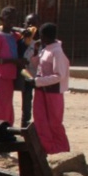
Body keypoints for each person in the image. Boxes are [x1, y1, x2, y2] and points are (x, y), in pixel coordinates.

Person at [30, 22, 70, 155]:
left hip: (53, 92)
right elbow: (36, 65)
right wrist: (35, 51)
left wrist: (38, 81)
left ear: (47, 36)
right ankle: (46, 147)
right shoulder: (45, 48)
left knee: (54, 123)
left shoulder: (57, 52)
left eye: (41, 36)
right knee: (40, 120)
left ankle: (62, 150)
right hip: (41, 90)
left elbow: (59, 75)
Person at [0, 6, 25, 125]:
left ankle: (6, 129)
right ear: (2, 19)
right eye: (9, 19)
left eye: (14, 19)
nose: (12, 22)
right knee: (0, 107)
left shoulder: (14, 35)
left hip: (9, 77)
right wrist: (12, 61)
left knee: (7, 106)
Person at [19, 13, 41, 128]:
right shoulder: (22, 40)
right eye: (29, 23)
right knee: (26, 103)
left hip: (41, 76)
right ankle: (25, 126)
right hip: (27, 75)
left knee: (40, 103)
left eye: (34, 23)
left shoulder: (44, 41)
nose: (31, 26)